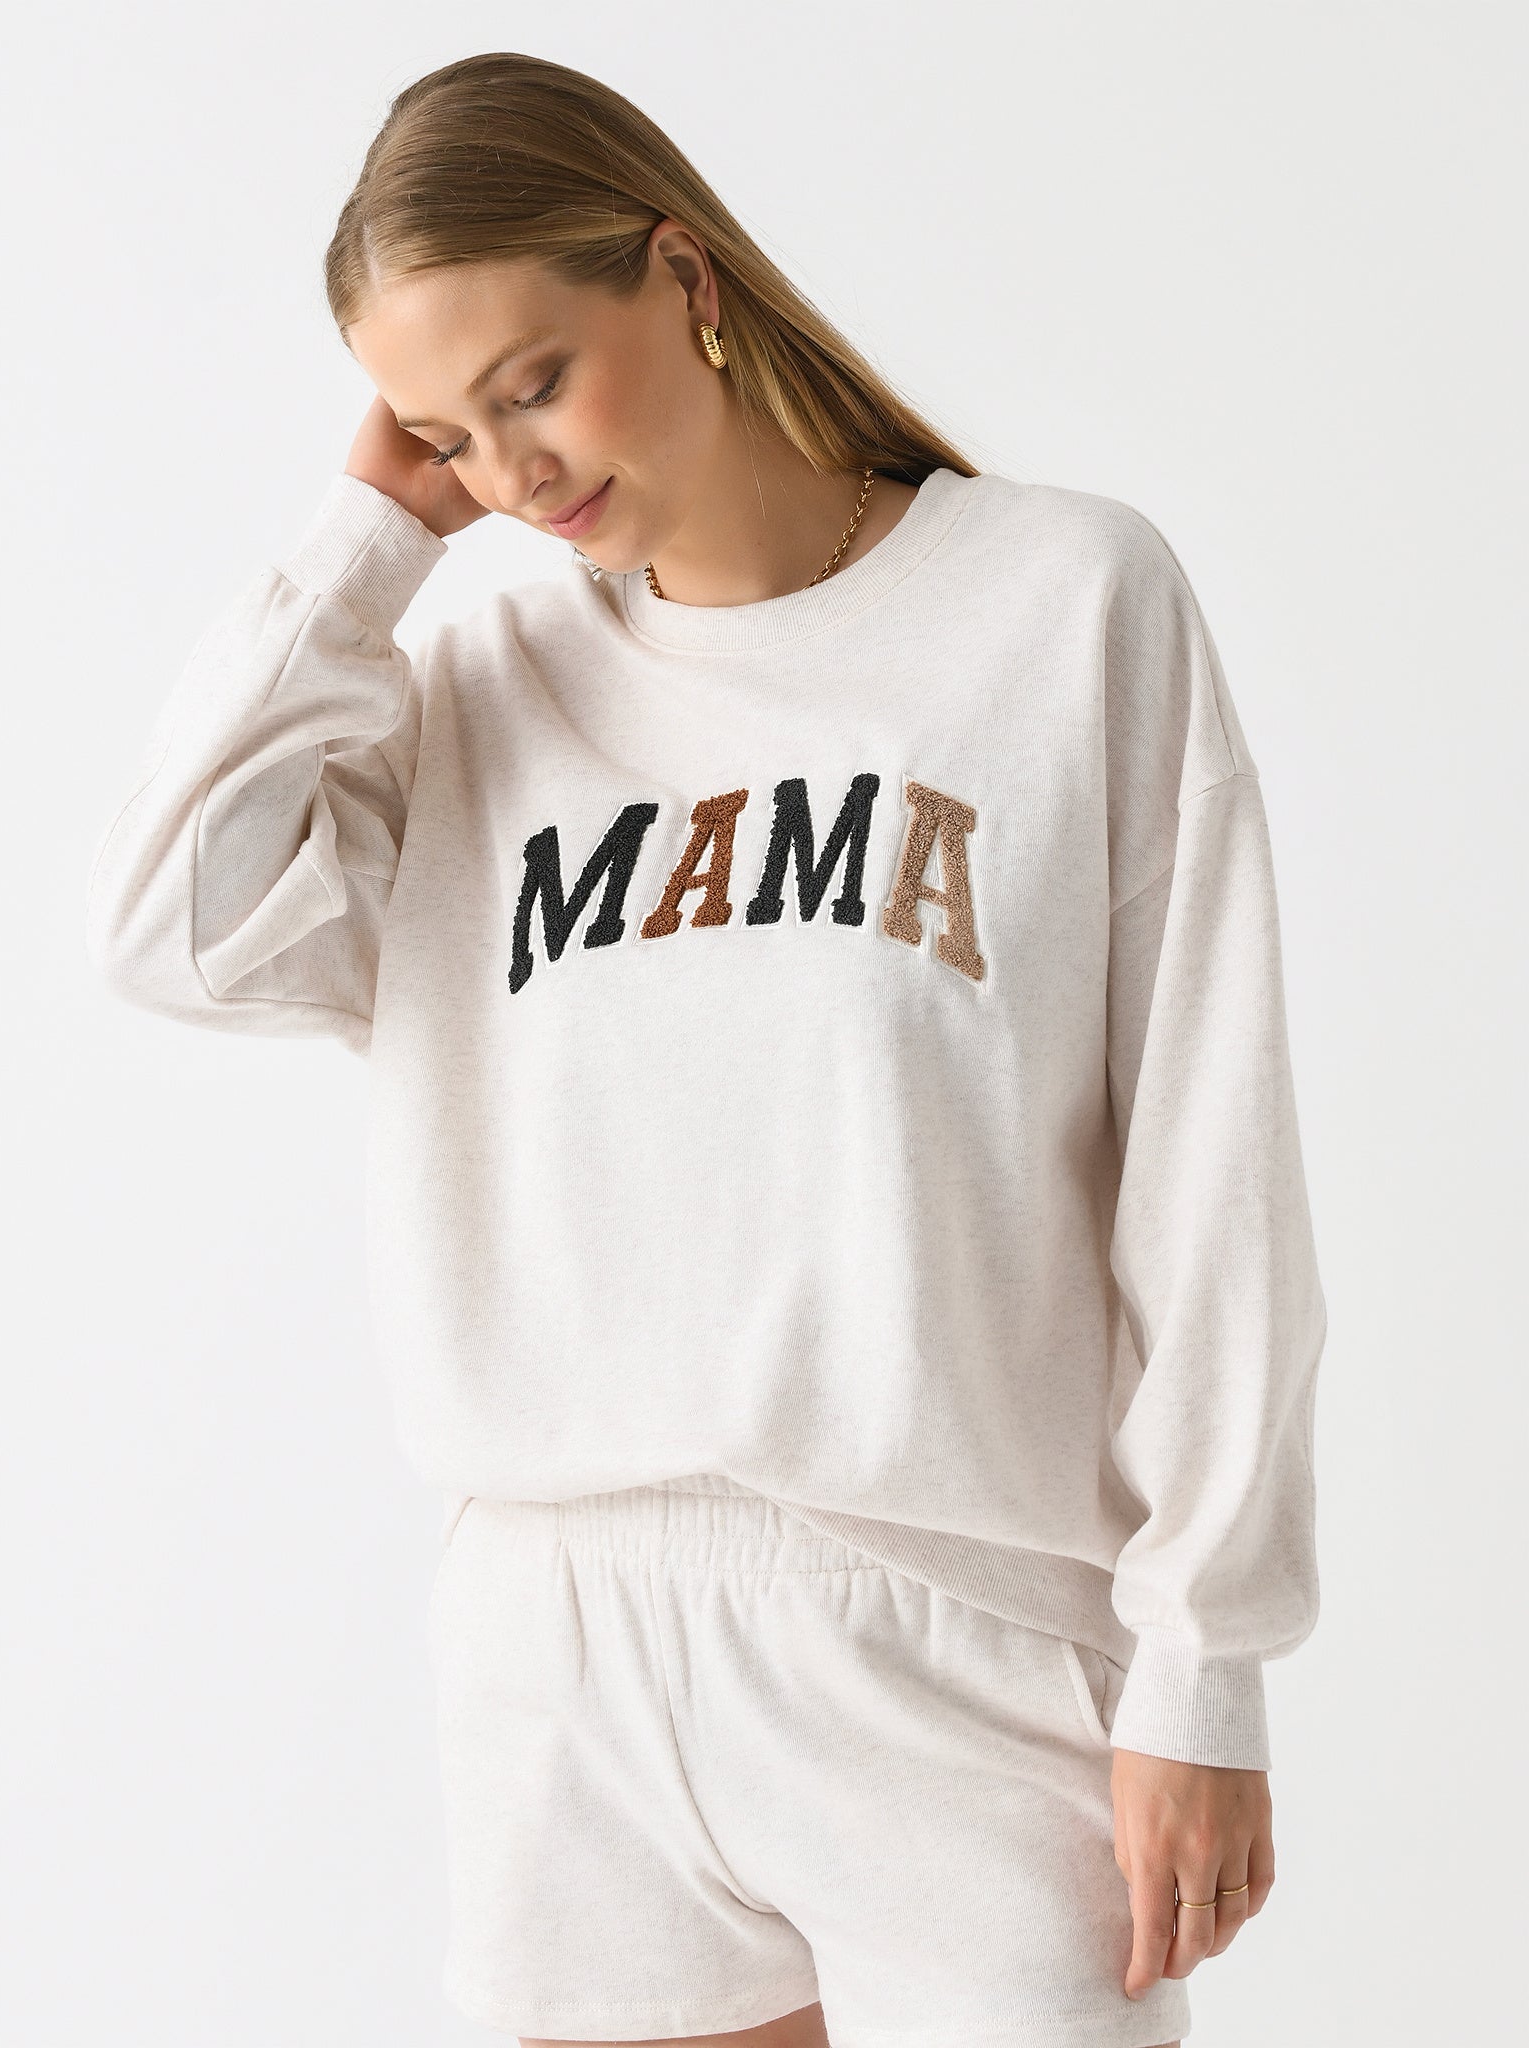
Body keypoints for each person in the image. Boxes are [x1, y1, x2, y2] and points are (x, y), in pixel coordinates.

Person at [85, 49, 1327, 2048]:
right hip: (563, 1661)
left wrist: (1206, 1661)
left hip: (961, 1638)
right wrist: (366, 541)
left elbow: (1210, 1170)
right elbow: (172, 923)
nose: (513, 476)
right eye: (446, 432)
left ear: (683, 276)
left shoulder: (1062, 603)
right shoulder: (478, 685)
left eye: (535, 383)